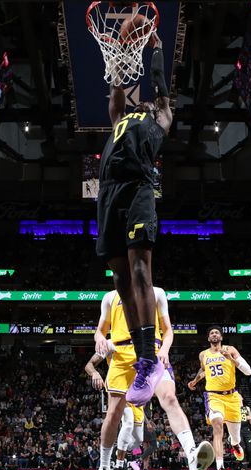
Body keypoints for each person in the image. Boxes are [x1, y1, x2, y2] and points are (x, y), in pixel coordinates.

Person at [96, 29, 173, 407]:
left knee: (140, 270)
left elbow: (160, 90)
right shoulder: (119, 119)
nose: (140, 102)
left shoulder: (160, 119)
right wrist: (120, 56)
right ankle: (145, 358)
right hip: (108, 193)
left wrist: (155, 51)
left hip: (139, 188)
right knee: (119, 277)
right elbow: (116, 95)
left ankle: (148, 357)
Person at [89, 286, 213, 470]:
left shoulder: (157, 292)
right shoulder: (111, 296)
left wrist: (164, 349)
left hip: (152, 351)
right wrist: (100, 338)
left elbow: (168, 331)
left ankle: (192, 456)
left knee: (170, 399)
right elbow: (99, 332)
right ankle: (104, 468)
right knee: (113, 414)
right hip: (121, 354)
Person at [188, 326, 251, 470]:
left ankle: (235, 444)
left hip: (232, 397)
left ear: (221, 337)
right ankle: (220, 468)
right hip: (213, 396)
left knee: (235, 436)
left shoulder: (230, 349)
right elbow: (204, 370)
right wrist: (195, 381)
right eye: (211, 333)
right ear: (209, 338)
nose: (214, 334)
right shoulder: (203, 354)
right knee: (217, 426)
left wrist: (230, 358)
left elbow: (248, 371)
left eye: (217, 332)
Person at [84, 348, 146, 470]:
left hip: (136, 391)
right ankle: (117, 467)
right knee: (128, 423)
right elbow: (89, 364)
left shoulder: (141, 342)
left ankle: (114, 453)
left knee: (137, 440)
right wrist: (94, 373)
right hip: (118, 388)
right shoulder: (111, 344)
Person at [238, 402, 251, 470]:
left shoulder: (247, 408)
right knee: (242, 449)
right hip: (238, 430)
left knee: (250, 450)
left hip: (246, 430)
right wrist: (244, 417)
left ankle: (243, 468)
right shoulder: (234, 407)